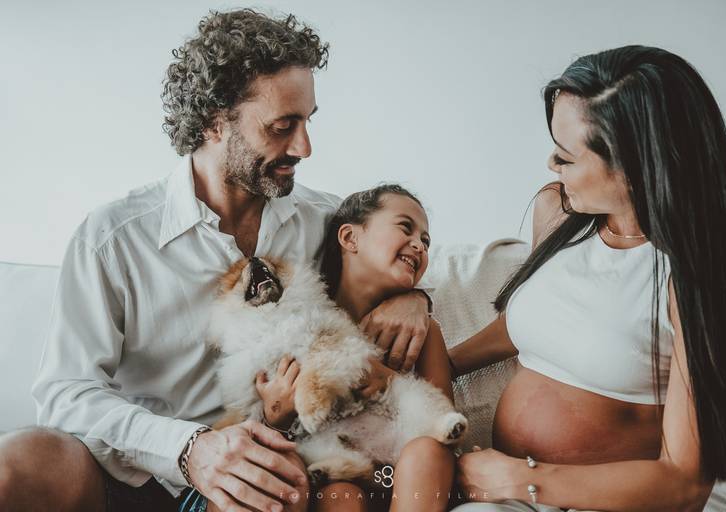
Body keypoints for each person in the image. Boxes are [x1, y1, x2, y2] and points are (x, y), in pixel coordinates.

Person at [0, 10, 432, 512]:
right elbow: (65, 393)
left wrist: (415, 299)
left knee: (273, 480)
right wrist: (189, 449)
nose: (304, 147)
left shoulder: (324, 222)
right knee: (17, 462)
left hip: (258, 472)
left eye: (307, 121)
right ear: (213, 122)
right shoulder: (114, 238)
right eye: (282, 127)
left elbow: (395, 260)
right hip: (126, 475)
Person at [448, 45, 726, 511]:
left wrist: (521, 478)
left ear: (635, 167)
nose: (552, 165)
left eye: (566, 156)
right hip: (521, 491)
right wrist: (438, 360)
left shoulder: (697, 281)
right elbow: (543, 321)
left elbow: (683, 485)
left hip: (643, 500)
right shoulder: (559, 213)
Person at [186, 184, 457, 512]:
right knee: (340, 495)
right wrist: (276, 414)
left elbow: (443, 423)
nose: (419, 245)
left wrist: (389, 370)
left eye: (426, 242)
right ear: (349, 238)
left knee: (427, 451)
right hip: (332, 469)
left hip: (408, 471)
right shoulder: (297, 316)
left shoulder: (423, 329)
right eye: (405, 227)